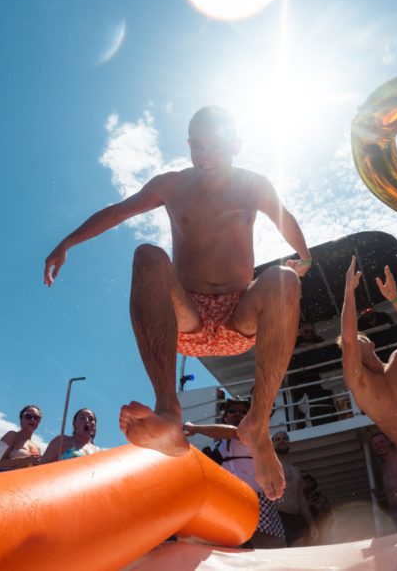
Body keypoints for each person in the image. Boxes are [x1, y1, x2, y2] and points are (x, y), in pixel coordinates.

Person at [45, 105, 311, 500]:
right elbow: (119, 211)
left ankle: (257, 421)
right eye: (197, 146)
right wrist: (67, 242)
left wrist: (304, 258)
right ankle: (169, 411)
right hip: (189, 318)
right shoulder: (171, 185)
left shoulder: (255, 185)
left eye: (214, 146)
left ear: (236, 144)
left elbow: (283, 218)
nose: (203, 155)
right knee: (148, 256)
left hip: (240, 315)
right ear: (188, 143)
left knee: (283, 279)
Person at [339, 256, 397, 514]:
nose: (352, 346)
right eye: (347, 347)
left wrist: (395, 300)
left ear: (371, 344)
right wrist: (348, 292)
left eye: (359, 340)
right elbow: (347, 339)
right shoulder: (361, 384)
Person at [184, 398, 285, 548]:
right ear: (225, 417)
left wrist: (195, 428)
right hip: (229, 501)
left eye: (243, 412)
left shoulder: (252, 431)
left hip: (257, 501)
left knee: (267, 547)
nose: (238, 414)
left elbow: (235, 433)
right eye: (233, 411)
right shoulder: (219, 446)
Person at [271, 431, 317, 546]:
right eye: (277, 439)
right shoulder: (269, 466)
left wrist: (311, 523)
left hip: (296, 517)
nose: (281, 441)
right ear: (271, 445)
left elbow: (301, 500)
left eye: (284, 439)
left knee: (299, 553)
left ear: (289, 443)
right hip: (278, 517)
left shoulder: (296, 471)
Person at [0, 405, 43, 469]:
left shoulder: (37, 448)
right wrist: (25, 460)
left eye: (36, 418)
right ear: (21, 418)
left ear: (39, 422)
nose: (32, 419)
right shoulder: (11, 435)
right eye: (28, 416)